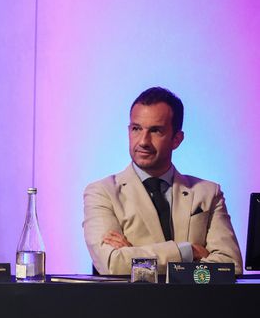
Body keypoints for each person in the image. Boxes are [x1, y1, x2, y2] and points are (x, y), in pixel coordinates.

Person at [83, 86, 242, 275]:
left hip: (196, 304)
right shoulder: (102, 192)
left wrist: (134, 254)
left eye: (156, 131)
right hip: (131, 305)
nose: (143, 141)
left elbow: (230, 265)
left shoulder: (208, 193)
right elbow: (113, 264)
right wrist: (187, 252)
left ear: (177, 139)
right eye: (136, 129)